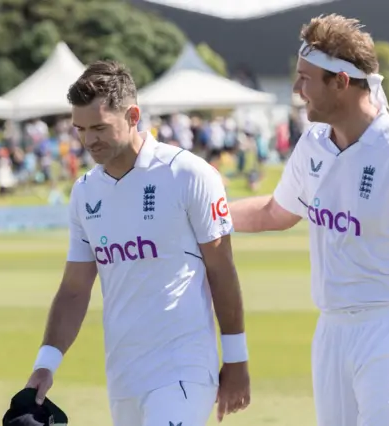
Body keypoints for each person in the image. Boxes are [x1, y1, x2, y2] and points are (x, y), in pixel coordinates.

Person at [228, 14, 389, 426]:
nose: (297, 91)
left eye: (305, 79)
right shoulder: (312, 144)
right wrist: (206, 214)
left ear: (341, 82)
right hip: (332, 329)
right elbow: (274, 212)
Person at [23, 60, 250, 426]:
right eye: (80, 129)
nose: (88, 140)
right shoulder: (84, 192)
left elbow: (222, 270)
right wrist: (45, 366)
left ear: (133, 115)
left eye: (99, 127)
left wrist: (237, 360)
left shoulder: (188, 174)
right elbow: (74, 290)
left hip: (183, 369)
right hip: (123, 375)